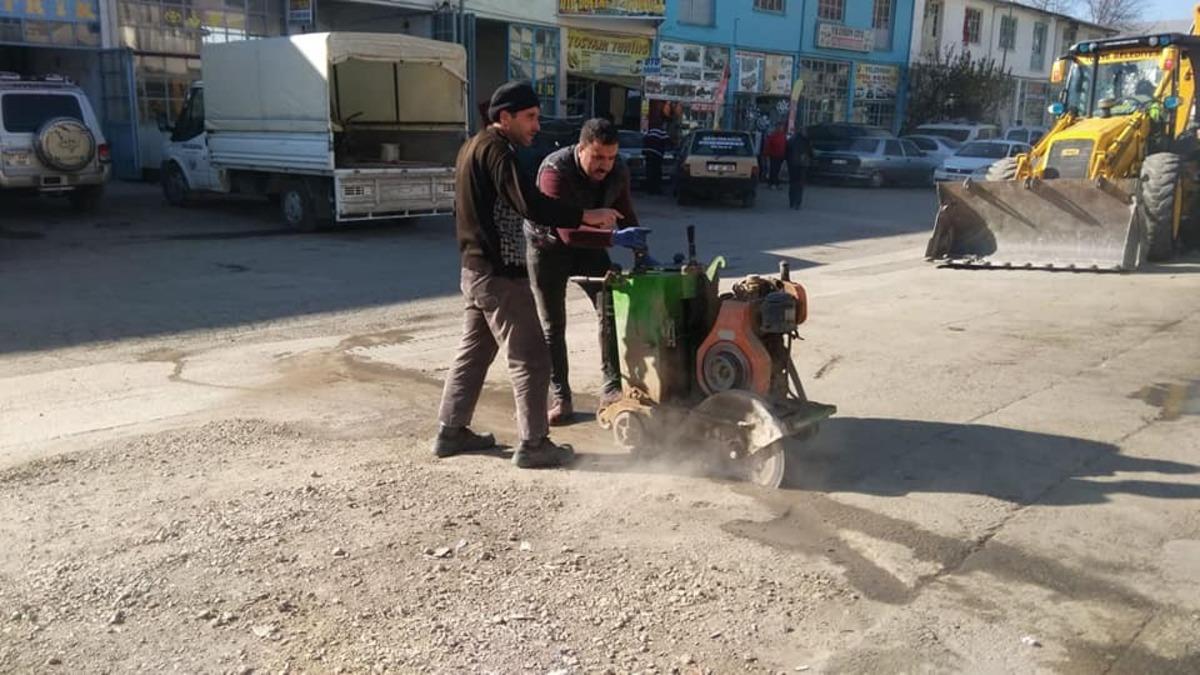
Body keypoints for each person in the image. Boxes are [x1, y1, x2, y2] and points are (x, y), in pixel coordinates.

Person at [433, 81, 622, 469]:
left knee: (473, 354)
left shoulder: (471, 147)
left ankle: (451, 432)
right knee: (533, 357)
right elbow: (530, 203)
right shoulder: (496, 150)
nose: (537, 125)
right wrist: (583, 214)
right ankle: (534, 444)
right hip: (500, 274)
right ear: (505, 117)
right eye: (531, 117)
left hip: (474, 270)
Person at [527, 118, 648, 426]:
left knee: (609, 309)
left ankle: (611, 387)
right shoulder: (555, 171)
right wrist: (614, 238)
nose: (604, 165)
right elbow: (567, 233)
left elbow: (625, 212)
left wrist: (641, 250)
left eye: (610, 157)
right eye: (597, 157)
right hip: (548, 247)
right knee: (553, 325)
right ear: (581, 149)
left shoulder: (617, 170)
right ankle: (561, 398)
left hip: (590, 247)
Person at [785, 127, 814, 210]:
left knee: (793, 183)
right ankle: (797, 202)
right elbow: (811, 152)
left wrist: (788, 160)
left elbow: (787, 151)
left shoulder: (792, 140)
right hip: (802, 165)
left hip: (792, 164)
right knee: (800, 184)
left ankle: (792, 201)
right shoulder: (806, 141)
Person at [642, 121, 669, 195]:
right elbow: (667, 141)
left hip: (647, 153)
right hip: (656, 154)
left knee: (649, 171)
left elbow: (644, 139)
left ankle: (649, 189)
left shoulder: (650, 131)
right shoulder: (661, 132)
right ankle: (656, 189)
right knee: (657, 172)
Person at [765, 124, 788, 190]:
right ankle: (773, 183)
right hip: (774, 155)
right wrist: (767, 153)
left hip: (780, 156)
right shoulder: (773, 136)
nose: (781, 129)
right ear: (776, 128)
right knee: (774, 169)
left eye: (781, 128)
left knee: (776, 170)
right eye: (779, 127)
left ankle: (774, 183)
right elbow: (768, 145)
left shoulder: (783, 136)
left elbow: (785, 146)